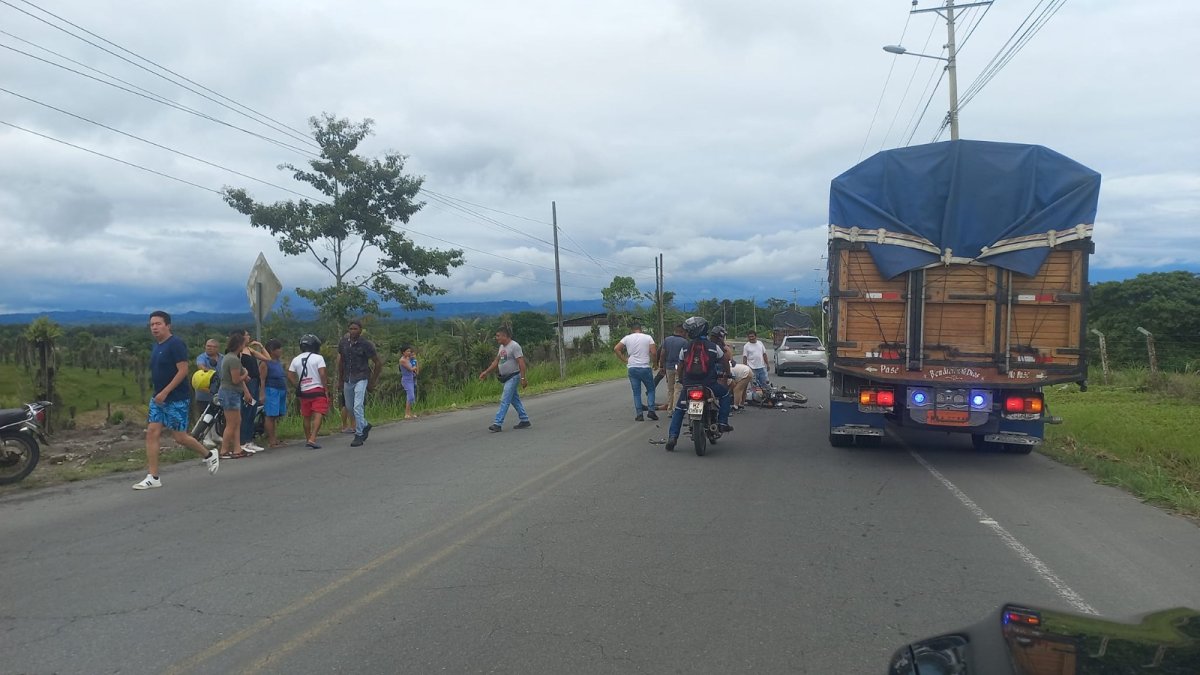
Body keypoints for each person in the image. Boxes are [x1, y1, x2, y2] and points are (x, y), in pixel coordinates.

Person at [132, 311, 219, 489]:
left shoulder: (176, 344)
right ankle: (153, 476)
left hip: (176, 398)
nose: (154, 327)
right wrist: (159, 394)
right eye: (152, 324)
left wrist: (166, 392)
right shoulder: (156, 346)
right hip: (158, 398)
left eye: (158, 324)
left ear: (168, 325)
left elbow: (183, 371)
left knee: (180, 437)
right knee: (152, 433)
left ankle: (209, 455)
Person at [665, 316, 733, 452]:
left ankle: (672, 437)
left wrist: (681, 380)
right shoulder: (714, 347)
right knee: (725, 395)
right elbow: (724, 361)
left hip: (689, 385)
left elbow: (681, 366)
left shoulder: (685, 348)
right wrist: (728, 373)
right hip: (709, 385)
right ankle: (722, 422)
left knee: (679, 410)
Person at [337, 320, 383, 447]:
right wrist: (340, 380)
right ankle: (365, 424)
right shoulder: (343, 343)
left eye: (355, 329)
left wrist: (372, 381)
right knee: (349, 407)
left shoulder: (366, 345)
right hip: (348, 378)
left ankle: (358, 434)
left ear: (360, 330)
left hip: (361, 377)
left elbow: (378, 363)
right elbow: (341, 362)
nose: (353, 331)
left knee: (358, 406)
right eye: (351, 329)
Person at [479, 327, 530, 432]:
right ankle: (524, 419)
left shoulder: (514, 346)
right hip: (505, 377)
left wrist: (523, 378)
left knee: (505, 399)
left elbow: (521, 363)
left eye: (498, 336)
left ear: (505, 336)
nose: (496, 338)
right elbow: (496, 361)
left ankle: (497, 423)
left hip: (513, 376)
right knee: (514, 400)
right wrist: (486, 372)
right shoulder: (502, 347)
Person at [289, 334, 329, 449]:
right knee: (318, 413)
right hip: (317, 389)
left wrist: (297, 385)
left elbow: (290, 374)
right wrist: (325, 388)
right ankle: (313, 438)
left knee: (306, 416)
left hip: (304, 391)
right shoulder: (318, 358)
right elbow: (322, 373)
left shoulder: (295, 359)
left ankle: (307, 438)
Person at [614, 320, 658, 421]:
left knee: (636, 392)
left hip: (632, 368)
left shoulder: (627, 338)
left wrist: (625, 359)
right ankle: (651, 411)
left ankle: (639, 414)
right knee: (651, 389)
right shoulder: (648, 337)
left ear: (632, 330)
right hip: (645, 367)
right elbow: (654, 353)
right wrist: (655, 364)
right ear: (641, 329)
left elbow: (616, 348)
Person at [217, 331, 251, 460]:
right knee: (231, 423)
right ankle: (224, 450)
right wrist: (245, 373)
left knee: (237, 421)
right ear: (239, 345)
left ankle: (237, 448)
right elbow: (236, 379)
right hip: (230, 392)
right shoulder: (233, 359)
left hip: (230, 392)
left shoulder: (228, 357)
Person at [238, 330, 270, 454]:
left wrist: (261, 347)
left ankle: (249, 439)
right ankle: (243, 441)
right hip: (247, 384)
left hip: (255, 382)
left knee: (252, 412)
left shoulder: (250, 350)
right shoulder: (239, 353)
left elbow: (267, 358)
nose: (249, 336)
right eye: (246, 335)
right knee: (246, 412)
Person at [656, 323, 688, 414]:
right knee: (678, 388)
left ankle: (669, 409)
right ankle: (675, 409)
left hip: (669, 367)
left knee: (670, 389)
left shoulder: (667, 340)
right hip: (680, 368)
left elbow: (662, 354)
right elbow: (686, 357)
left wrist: (661, 366)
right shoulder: (684, 342)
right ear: (682, 332)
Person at [262, 339, 288, 448]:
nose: (281, 351)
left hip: (280, 389)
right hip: (271, 390)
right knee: (270, 415)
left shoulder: (278, 362)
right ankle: (271, 440)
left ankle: (275, 438)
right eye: (278, 349)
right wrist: (262, 393)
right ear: (272, 350)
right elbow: (262, 379)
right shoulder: (265, 363)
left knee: (276, 415)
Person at [192, 339, 220, 424]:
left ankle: (216, 434)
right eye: (208, 346)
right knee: (204, 416)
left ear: (217, 348)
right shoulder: (202, 357)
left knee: (217, 415)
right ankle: (205, 435)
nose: (209, 348)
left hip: (218, 394)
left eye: (212, 346)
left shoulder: (223, 358)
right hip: (204, 394)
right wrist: (212, 374)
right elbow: (201, 366)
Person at [399, 344, 420, 419]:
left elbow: (416, 369)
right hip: (406, 380)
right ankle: (406, 413)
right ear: (403, 352)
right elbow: (411, 369)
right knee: (410, 396)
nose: (409, 352)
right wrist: (414, 367)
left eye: (409, 351)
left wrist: (415, 361)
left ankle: (410, 413)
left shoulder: (409, 359)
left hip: (412, 378)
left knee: (412, 397)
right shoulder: (402, 360)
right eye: (407, 351)